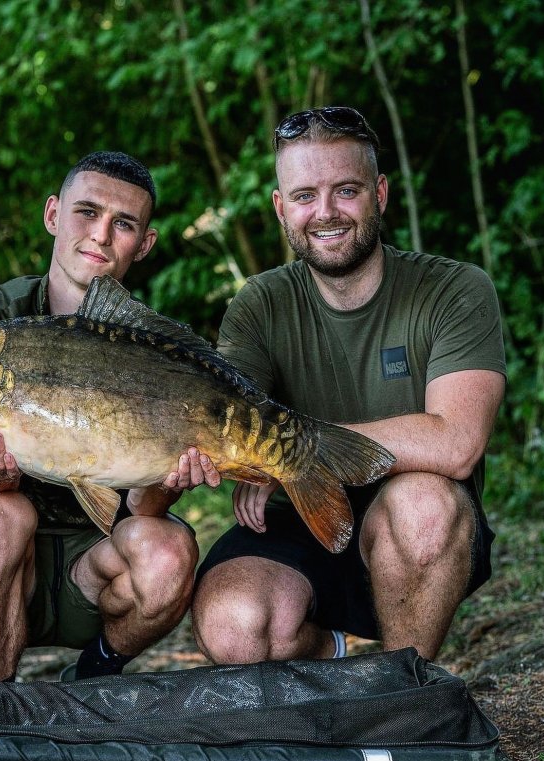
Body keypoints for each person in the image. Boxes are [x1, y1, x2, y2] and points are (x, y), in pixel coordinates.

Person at [191, 107, 506, 664]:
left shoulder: (455, 289)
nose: (326, 212)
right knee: (234, 627)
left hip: (410, 526)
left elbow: (456, 443)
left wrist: (288, 450)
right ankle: (344, 656)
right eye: (305, 195)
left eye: (346, 190)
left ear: (379, 194)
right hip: (295, 523)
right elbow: (220, 423)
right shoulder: (259, 304)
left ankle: (404, 684)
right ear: (280, 207)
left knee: (425, 507)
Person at [0, 151, 219, 685]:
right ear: (53, 214)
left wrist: (168, 483)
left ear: (144, 245)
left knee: (170, 551)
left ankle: (88, 678)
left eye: (123, 223)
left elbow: (139, 507)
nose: (101, 235)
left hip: (98, 562)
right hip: (5, 564)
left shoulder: (153, 348)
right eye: (87, 212)